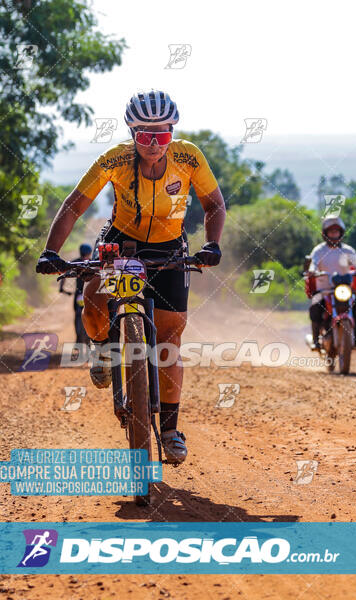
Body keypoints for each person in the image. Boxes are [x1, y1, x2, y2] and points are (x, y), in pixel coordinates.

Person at [36, 90, 226, 463]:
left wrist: (213, 244)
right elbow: (75, 204)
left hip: (170, 245)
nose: (154, 144)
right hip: (122, 244)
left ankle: (170, 430)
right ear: (131, 133)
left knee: (169, 340)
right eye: (144, 136)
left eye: (163, 135)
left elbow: (214, 203)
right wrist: (51, 251)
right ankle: (104, 349)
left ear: (173, 131)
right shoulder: (115, 159)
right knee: (92, 297)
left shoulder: (189, 156)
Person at [308, 217, 356, 349]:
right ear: (325, 234)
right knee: (315, 306)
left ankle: (355, 335)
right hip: (324, 290)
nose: (334, 234)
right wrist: (312, 271)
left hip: (344, 289)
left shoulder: (348, 250)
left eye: (336, 232)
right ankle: (316, 340)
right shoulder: (319, 251)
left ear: (341, 233)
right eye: (331, 232)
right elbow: (313, 264)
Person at [59, 243, 92, 344]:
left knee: (78, 316)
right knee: (91, 315)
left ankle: (78, 339)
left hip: (79, 295)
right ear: (90, 253)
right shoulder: (93, 262)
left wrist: (62, 289)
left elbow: (64, 274)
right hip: (90, 295)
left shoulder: (75, 263)